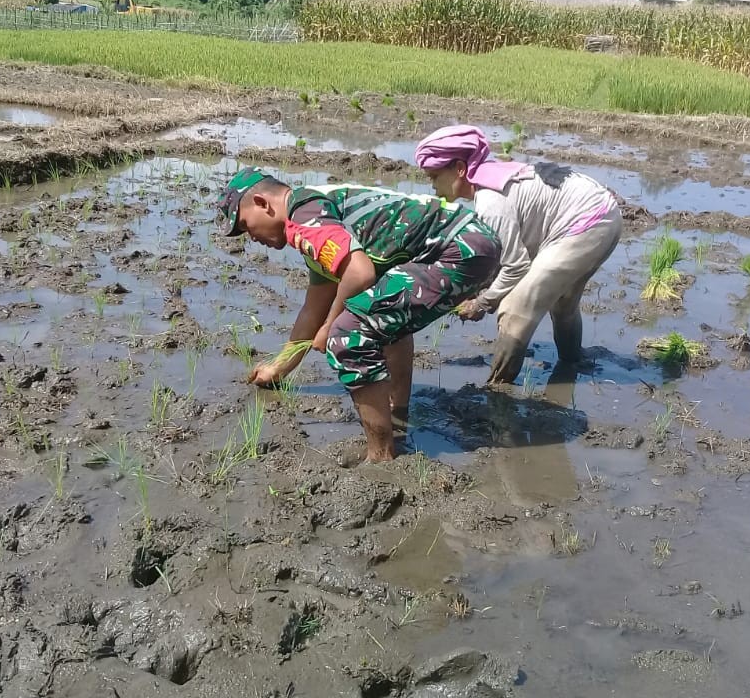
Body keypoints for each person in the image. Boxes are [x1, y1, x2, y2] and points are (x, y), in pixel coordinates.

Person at [216, 167, 501, 463]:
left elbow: (359, 273)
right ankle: (397, 412)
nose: (250, 236)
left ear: (262, 203)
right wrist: (279, 368)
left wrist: (330, 326)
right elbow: (313, 309)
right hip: (473, 242)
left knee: (347, 335)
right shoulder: (317, 215)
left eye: (245, 225)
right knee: (385, 319)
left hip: (458, 248)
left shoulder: (303, 217)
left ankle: (380, 456)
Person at [414, 124, 624, 385]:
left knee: (514, 310)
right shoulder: (494, 177)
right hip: (604, 215)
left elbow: (515, 266)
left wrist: (482, 303)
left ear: (459, 169)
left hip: (587, 223)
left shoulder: (490, 201)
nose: (432, 186)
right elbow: (508, 253)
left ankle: (498, 390)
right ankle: (571, 363)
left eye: (434, 176)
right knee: (563, 302)